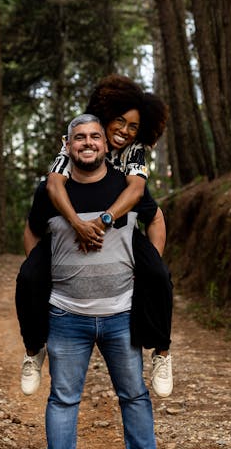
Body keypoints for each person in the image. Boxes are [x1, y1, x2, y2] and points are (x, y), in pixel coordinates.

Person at [26, 114, 166, 449]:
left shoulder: (128, 186)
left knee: (134, 395)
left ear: (106, 145)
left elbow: (156, 221)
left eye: (94, 137)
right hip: (66, 315)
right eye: (79, 138)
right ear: (67, 146)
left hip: (121, 312)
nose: (87, 143)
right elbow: (32, 232)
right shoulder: (51, 191)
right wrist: (40, 276)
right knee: (63, 399)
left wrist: (150, 269)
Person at [16, 75, 173, 398]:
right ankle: (34, 349)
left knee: (158, 275)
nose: (125, 131)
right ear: (106, 115)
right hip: (71, 224)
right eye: (120, 121)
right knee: (29, 277)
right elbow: (54, 185)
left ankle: (162, 352)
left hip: (116, 226)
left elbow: (137, 191)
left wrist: (101, 223)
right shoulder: (81, 141)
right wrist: (76, 224)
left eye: (133, 126)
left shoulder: (136, 150)